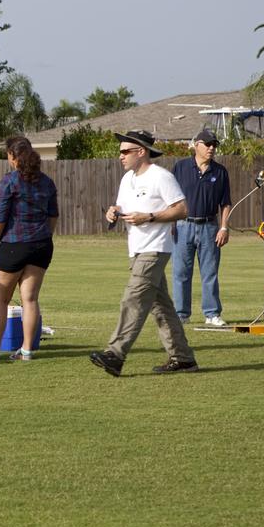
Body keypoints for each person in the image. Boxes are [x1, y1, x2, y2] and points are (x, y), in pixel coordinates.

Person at [90, 130, 198, 376]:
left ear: (141, 151)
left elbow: (181, 209)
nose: (120, 156)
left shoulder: (161, 177)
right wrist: (113, 211)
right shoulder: (127, 179)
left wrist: (149, 216)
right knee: (161, 307)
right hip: (136, 250)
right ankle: (183, 359)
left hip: (155, 249)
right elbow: (123, 206)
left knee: (133, 298)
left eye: (125, 151)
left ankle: (115, 354)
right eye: (120, 152)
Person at [0, 135, 58, 361]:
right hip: (42, 245)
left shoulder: (10, 182)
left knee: (1, 299)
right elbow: (53, 216)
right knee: (30, 299)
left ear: (12, 157)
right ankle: (26, 350)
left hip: (14, 245)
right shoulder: (47, 182)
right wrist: (43, 236)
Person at [171, 127, 232, 327]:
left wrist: (224, 227)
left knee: (210, 272)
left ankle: (212, 314)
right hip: (183, 226)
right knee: (181, 272)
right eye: (208, 144)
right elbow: (170, 199)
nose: (212, 148)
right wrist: (170, 224)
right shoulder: (180, 168)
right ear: (196, 145)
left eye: (214, 145)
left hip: (209, 227)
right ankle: (181, 314)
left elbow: (225, 203)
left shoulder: (220, 171)